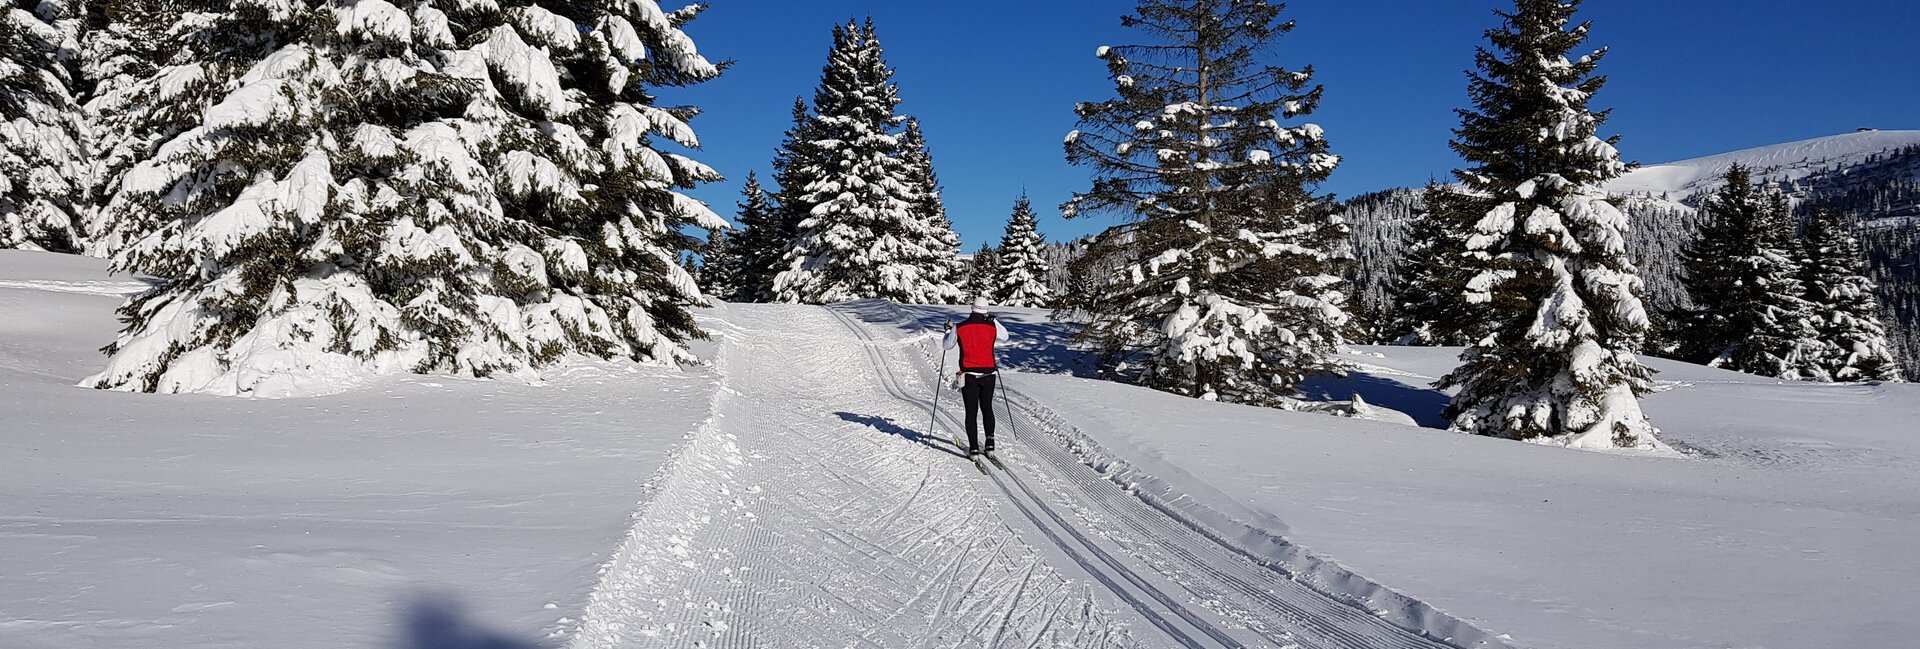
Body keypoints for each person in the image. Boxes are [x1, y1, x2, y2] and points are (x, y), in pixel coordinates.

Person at [943, 297, 1009, 456]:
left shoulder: (960, 327)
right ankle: (990, 443)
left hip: (969, 375)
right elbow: (1005, 336)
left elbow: (947, 345)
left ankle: (973, 448)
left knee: (971, 412)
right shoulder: (992, 327)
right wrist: (994, 320)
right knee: (987, 408)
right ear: (986, 310)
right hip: (989, 375)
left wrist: (947, 330)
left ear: (972, 308)